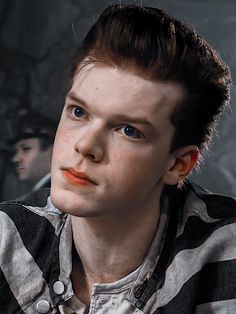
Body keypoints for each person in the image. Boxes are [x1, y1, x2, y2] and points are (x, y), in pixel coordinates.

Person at [0, 4, 235, 313]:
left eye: (128, 130)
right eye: (79, 112)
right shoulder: (7, 240)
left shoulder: (227, 257)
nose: (85, 146)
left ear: (178, 164)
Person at [10, 111, 57, 192]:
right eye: (16, 151)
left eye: (26, 149)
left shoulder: (53, 194)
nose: (15, 159)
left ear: (52, 153)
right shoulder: (43, 192)